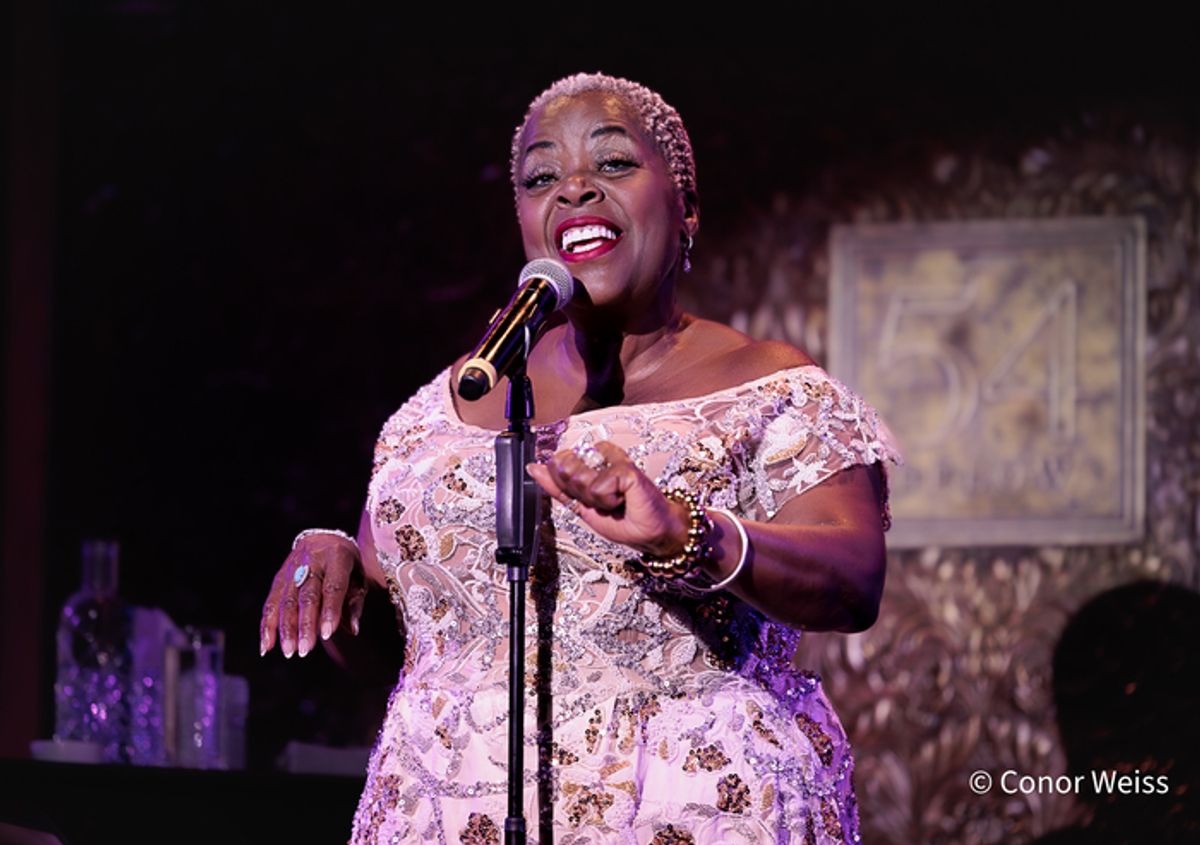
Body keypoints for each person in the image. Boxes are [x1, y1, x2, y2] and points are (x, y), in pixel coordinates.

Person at [259, 71, 901, 844]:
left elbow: (853, 577)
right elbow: (405, 647)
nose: (574, 189)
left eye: (614, 163)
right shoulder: (449, 403)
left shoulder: (769, 387)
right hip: (445, 814)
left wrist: (690, 535)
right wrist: (335, 568)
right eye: (541, 178)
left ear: (687, 206)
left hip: (687, 809)